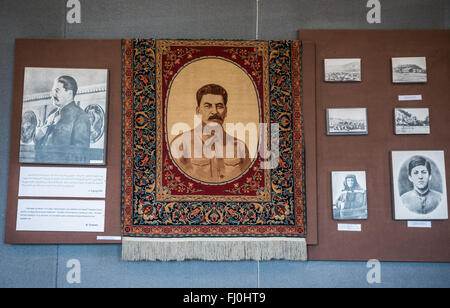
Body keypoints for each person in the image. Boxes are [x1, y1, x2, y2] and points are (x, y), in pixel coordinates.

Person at [170, 84, 251, 183]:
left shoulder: (240, 147)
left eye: (219, 106)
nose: (214, 111)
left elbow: (247, 183)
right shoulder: (180, 144)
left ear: (226, 111)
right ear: (198, 111)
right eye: (207, 106)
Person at [34, 75, 91, 164]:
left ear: (69, 94)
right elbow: (39, 149)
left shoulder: (81, 116)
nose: (52, 94)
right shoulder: (51, 117)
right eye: (53, 91)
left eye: (57, 91)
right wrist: (38, 137)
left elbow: (80, 155)